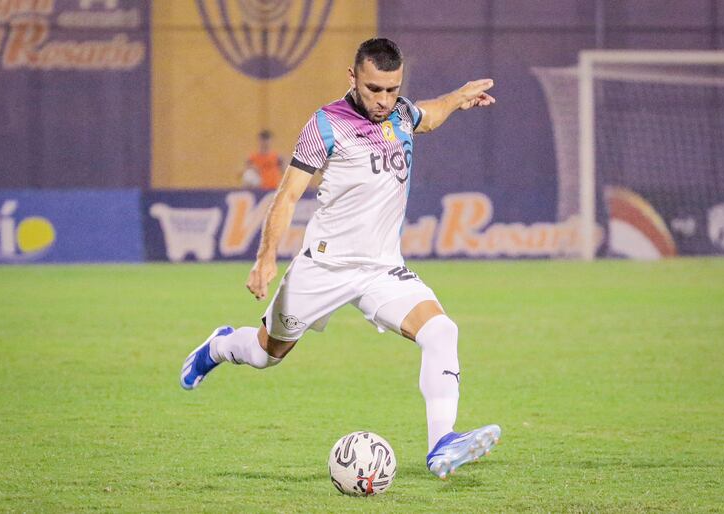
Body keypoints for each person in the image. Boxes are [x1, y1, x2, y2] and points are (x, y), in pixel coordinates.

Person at [181, 38, 501, 479]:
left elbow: (429, 115)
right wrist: (265, 258)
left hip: (382, 270)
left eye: (392, 89)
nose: (385, 100)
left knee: (442, 331)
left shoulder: (402, 113)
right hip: (324, 267)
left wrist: (458, 97)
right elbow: (288, 194)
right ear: (352, 78)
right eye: (374, 89)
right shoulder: (326, 124)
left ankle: (441, 444)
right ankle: (218, 346)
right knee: (266, 355)